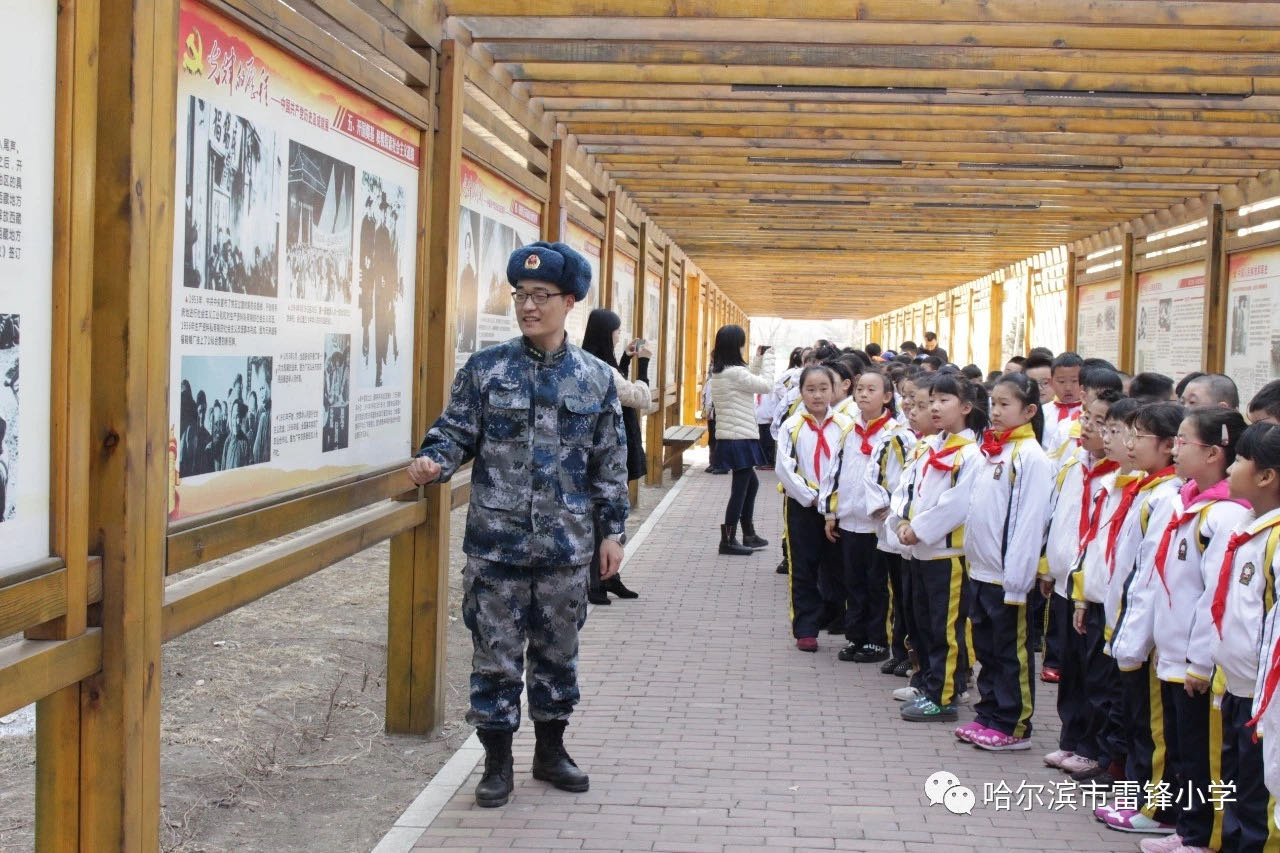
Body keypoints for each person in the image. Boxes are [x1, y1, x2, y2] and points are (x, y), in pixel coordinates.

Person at [407, 240, 628, 808]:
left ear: (569, 301)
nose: (528, 307)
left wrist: (612, 532)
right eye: (520, 296)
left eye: (541, 296)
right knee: (495, 657)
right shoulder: (486, 370)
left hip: (566, 548)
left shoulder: (597, 379)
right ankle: (497, 763)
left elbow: (610, 462)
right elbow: (455, 431)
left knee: (558, 655)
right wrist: (435, 459)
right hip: (497, 547)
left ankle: (551, 753)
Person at [1114, 407, 1248, 848]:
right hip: (1170, 652)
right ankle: (1185, 826)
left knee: (1203, 756)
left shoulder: (1224, 515)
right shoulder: (1182, 500)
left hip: (1196, 661)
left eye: (1183, 442)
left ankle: (1201, 833)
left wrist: (1200, 660)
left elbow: (1216, 598)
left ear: (1213, 453)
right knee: (1183, 751)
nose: (1175, 448)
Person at [1101, 402, 1184, 830]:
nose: (1129, 444)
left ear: (1169, 447)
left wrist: (1134, 635)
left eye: (1139, 437)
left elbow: (1152, 575)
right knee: (1136, 722)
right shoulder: (1144, 489)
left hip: (1147, 636)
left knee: (1152, 728)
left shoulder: (1166, 498)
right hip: (1127, 624)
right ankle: (1136, 796)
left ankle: (1156, 808)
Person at [959, 372, 1051, 750]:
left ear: (1029, 411)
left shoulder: (1030, 457)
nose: (995, 411)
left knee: (1010, 651)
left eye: (1004, 404)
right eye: (993, 403)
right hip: (980, 568)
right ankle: (989, 712)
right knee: (987, 648)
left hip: (1006, 577)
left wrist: (1018, 575)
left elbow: (1029, 521)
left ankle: (1013, 723)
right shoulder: (993, 450)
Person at [889, 372, 985, 722]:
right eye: (932, 401)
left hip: (947, 554)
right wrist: (900, 521)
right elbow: (905, 488)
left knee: (946, 629)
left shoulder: (971, 455)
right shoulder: (930, 445)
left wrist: (920, 529)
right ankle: (929, 682)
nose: (935, 407)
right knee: (923, 623)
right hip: (919, 551)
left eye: (944, 400)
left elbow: (956, 505)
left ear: (966, 406)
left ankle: (943, 696)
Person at [1060, 396, 1140, 783]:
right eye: (1103, 428)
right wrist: (1080, 594)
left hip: (1120, 606)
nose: (1106, 437)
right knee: (1093, 682)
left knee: (1115, 691)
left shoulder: (1150, 494)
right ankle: (1098, 753)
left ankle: (1113, 760)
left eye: (1117, 430)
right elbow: (1091, 544)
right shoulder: (1108, 484)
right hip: (1093, 598)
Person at [1209, 422, 1280, 853]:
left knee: (1257, 797)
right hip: (1236, 687)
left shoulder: (1274, 541)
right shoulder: (1252, 527)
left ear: (1267, 476)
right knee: (1236, 786)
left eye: (1238, 460)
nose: (1230, 468)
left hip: (1261, 698)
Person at [1042, 389, 1122, 771]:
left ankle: (1092, 747)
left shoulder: (1118, 479)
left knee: (1095, 676)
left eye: (1099, 422)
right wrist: (1049, 565)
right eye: (1086, 417)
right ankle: (1070, 738)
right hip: (1065, 583)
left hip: (1092, 591)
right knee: (1070, 670)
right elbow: (1057, 516)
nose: (1087, 426)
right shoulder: (1075, 463)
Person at [820, 369, 901, 664]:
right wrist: (830, 511)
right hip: (850, 521)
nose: (864, 395)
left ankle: (878, 640)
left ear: (888, 397)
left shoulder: (895, 434)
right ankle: (857, 637)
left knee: (877, 584)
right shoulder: (848, 430)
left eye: (871, 390)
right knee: (852, 581)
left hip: (877, 527)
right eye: (860, 389)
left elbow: (899, 479)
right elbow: (834, 472)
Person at [580, 308, 656, 604]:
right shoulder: (599, 366)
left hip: (609, 443)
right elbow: (637, 397)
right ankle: (597, 582)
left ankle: (608, 578)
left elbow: (617, 383)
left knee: (606, 513)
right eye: (616, 329)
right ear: (606, 332)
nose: (619, 334)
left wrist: (625, 358)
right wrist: (645, 365)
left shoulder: (593, 359)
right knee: (602, 516)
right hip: (607, 447)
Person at [777, 364, 850, 651]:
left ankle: (834, 614)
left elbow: (850, 465)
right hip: (802, 503)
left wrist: (832, 498)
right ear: (801, 392)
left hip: (837, 504)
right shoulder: (791, 426)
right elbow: (785, 467)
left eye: (823, 389)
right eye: (811, 389)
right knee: (803, 564)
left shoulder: (845, 426)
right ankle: (806, 626)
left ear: (834, 391)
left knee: (836, 563)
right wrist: (810, 496)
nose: (817, 395)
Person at [707, 326, 775, 555]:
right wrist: (770, 358)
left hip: (733, 436)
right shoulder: (734, 373)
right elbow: (765, 385)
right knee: (740, 489)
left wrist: (757, 358)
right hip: (740, 437)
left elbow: (749, 378)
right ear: (736, 345)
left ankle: (748, 534)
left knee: (751, 484)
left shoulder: (722, 371)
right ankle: (728, 540)